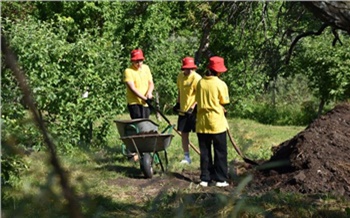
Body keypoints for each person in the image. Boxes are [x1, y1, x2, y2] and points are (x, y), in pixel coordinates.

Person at [195, 56, 230, 187]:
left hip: (202, 122)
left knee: (205, 152)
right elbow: (224, 101)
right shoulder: (221, 84)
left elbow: (198, 98)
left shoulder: (200, 82)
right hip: (216, 123)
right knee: (220, 152)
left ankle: (205, 178)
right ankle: (220, 179)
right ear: (218, 71)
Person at [173, 57, 202, 164]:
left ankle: (204, 155)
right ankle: (186, 157)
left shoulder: (197, 78)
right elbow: (180, 91)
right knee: (184, 133)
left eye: (191, 68)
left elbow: (200, 96)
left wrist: (193, 107)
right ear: (183, 68)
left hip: (194, 111)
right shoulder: (180, 77)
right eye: (187, 68)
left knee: (200, 134)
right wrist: (178, 103)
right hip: (183, 111)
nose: (189, 70)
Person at [123, 48, 154, 119]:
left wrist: (149, 93)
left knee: (145, 124)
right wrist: (144, 98)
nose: (139, 63)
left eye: (140, 61)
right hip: (134, 103)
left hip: (145, 103)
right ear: (132, 61)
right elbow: (132, 88)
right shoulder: (128, 71)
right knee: (138, 124)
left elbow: (151, 83)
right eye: (136, 61)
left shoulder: (146, 68)